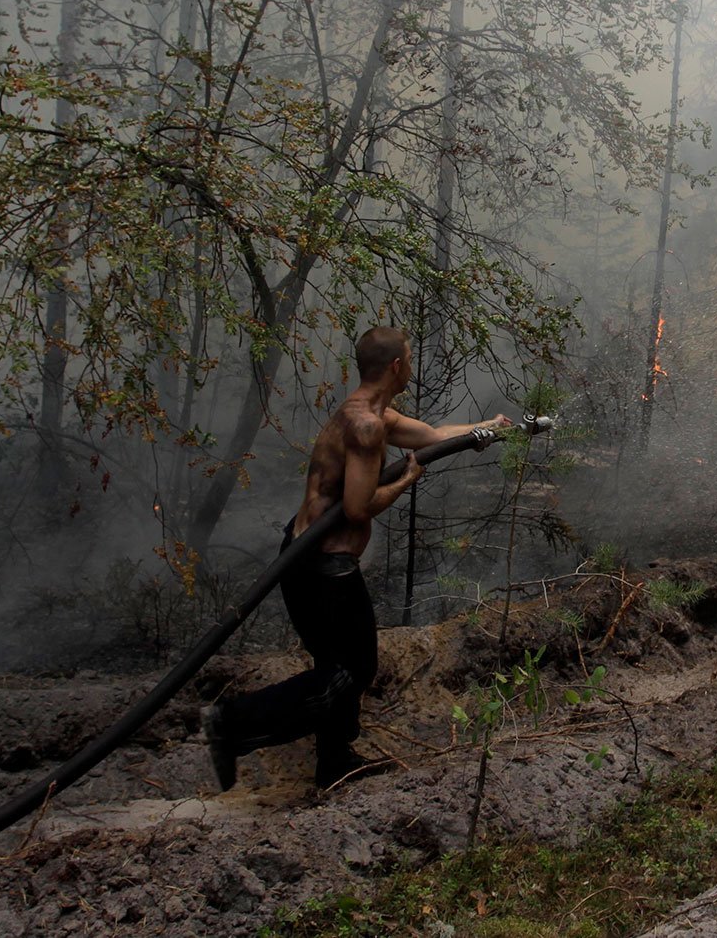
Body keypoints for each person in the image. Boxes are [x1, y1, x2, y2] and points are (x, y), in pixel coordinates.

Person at [203, 325, 511, 790]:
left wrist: (488, 428)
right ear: (396, 367)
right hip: (322, 569)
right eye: (409, 356)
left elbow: (433, 435)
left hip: (312, 559)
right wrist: (407, 480)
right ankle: (234, 722)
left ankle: (334, 761)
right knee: (351, 670)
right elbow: (357, 507)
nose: (411, 363)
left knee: (338, 663)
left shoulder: (370, 414)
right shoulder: (366, 427)